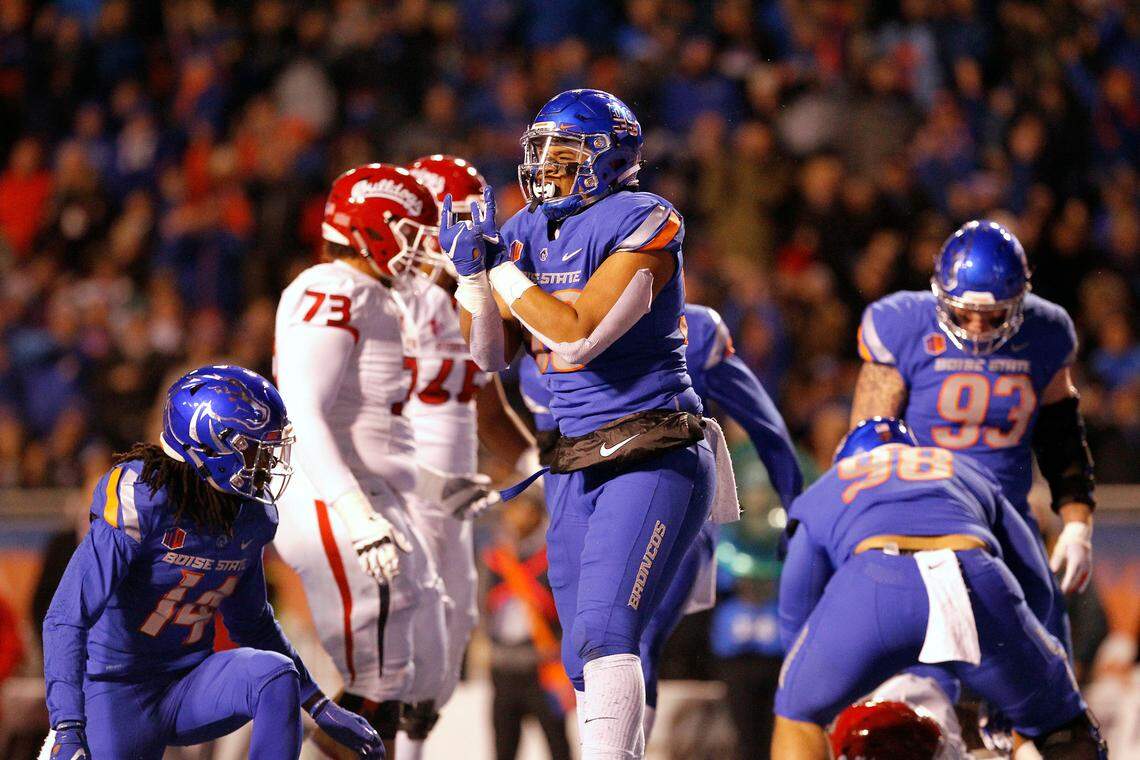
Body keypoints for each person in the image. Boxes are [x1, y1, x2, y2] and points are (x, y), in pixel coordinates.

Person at [442, 88, 736, 759]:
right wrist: (471, 283)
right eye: (540, 149)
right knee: (582, 656)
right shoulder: (519, 230)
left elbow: (576, 337)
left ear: (612, 158)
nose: (547, 165)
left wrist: (503, 273)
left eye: (566, 151)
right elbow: (489, 355)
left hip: (651, 444)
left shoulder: (644, 217)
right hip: (572, 457)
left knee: (608, 633)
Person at [41, 365, 384, 759]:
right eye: (254, 449)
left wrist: (319, 704)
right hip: (114, 691)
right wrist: (66, 725)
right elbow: (67, 616)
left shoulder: (249, 516)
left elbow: (251, 622)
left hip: (189, 683)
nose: (268, 464)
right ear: (210, 443)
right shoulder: (143, 498)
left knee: (274, 674)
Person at [518, 302, 803, 742]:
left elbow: (763, 424)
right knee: (583, 657)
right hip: (579, 512)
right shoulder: (540, 328)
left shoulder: (697, 328)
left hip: (663, 499)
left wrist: (794, 509)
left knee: (627, 637)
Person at [772, 417, 1106, 760]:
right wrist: (1025, 670)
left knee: (798, 716)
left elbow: (796, 611)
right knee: (1064, 726)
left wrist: (813, 681)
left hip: (873, 579)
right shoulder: (961, 469)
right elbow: (1036, 584)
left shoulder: (830, 485)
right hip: (974, 577)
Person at [851, 220, 1097, 650]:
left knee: (1047, 652)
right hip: (921, 521)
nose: (978, 328)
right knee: (926, 671)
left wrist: (1077, 526)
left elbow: (1063, 438)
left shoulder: (1046, 330)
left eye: (994, 315)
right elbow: (867, 445)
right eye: (965, 313)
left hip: (1007, 520)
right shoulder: (903, 324)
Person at [272, 163, 448, 757]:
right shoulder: (333, 286)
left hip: (366, 493)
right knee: (376, 678)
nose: (424, 251)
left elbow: (378, 431)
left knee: (393, 676)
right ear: (375, 227)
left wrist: (438, 487)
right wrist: (354, 512)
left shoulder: (373, 294)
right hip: (331, 496)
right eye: (413, 234)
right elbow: (301, 409)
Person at [393, 153, 538, 759]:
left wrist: (533, 464)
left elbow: (484, 406)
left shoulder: (464, 301)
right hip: (384, 509)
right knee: (386, 666)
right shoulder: (376, 302)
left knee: (442, 656)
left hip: (445, 512)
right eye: (454, 216)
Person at [482, 495, 574, 760]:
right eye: (512, 510)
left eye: (523, 509)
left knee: (558, 745)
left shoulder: (553, 557)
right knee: (504, 746)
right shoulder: (496, 559)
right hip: (504, 667)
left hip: (543, 667)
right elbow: (482, 605)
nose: (516, 517)